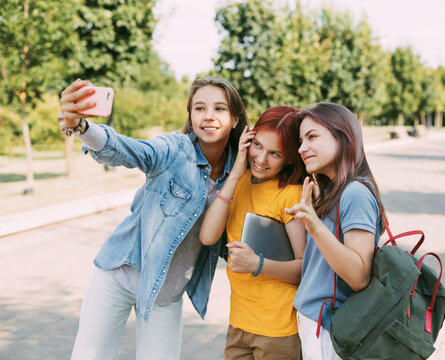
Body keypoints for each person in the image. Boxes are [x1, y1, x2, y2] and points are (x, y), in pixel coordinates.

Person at [57, 77, 248, 359]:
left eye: (220, 109)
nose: (208, 116)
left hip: (167, 294)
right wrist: (82, 127)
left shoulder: (241, 169)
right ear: (191, 115)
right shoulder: (174, 149)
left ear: (235, 119)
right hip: (120, 273)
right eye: (199, 108)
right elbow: (130, 150)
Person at [199, 106, 308, 360]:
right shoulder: (238, 182)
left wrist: (256, 264)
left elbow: (304, 269)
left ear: (290, 158)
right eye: (257, 145)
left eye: (275, 154)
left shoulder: (289, 195)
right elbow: (207, 237)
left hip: (278, 330)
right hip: (238, 324)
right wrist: (236, 174)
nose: (261, 159)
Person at [285, 102, 387, 360]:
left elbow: (359, 274)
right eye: (300, 140)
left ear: (342, 136)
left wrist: (314, 225)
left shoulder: (356, 193)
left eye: (312, 137)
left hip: (330, 327)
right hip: (317, 323)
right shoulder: (335, 191)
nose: (301, 148)